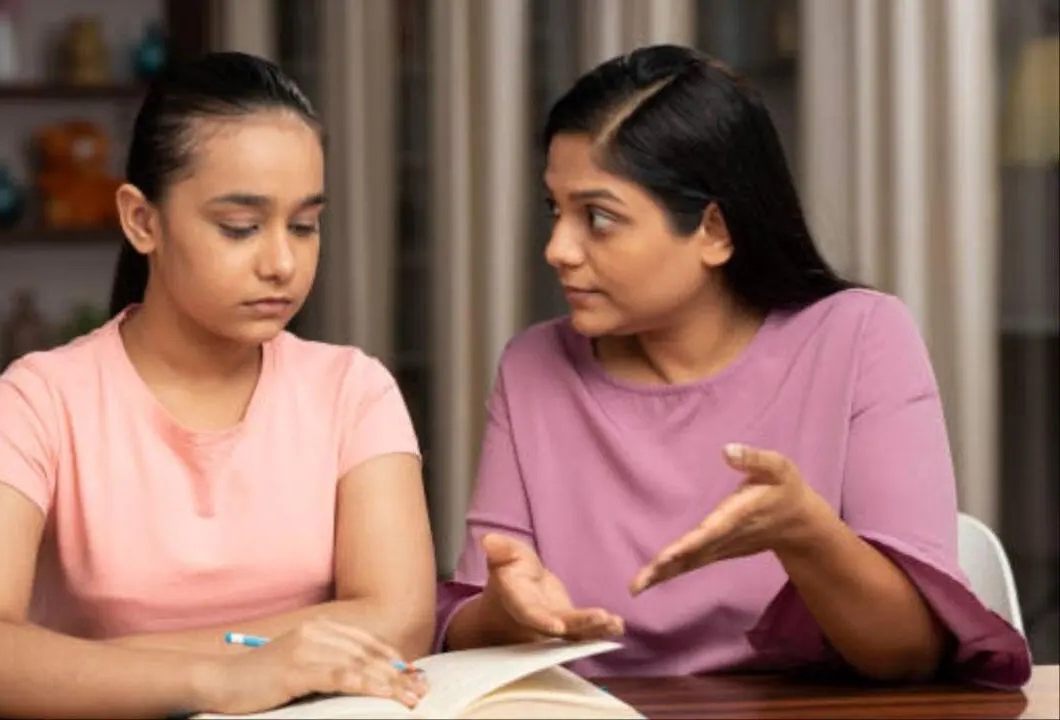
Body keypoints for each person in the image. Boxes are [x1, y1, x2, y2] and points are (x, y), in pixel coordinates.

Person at [436, 44, 1031, 689]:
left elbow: (909, 655)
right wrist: (504, 613)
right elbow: (472, 623)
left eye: (598, 218)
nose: (558, 249)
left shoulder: (861, 338)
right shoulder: (533, 366)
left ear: (715, 231)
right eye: (555, 210)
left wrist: (806, 534)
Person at [0, 53, 434, 718]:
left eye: (304, 225)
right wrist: (225, 679)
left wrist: (93, 662)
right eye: (241, 227)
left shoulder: (354, 392)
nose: (282, 262)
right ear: (142, 220)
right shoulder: (36, 402)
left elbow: (400, 620)